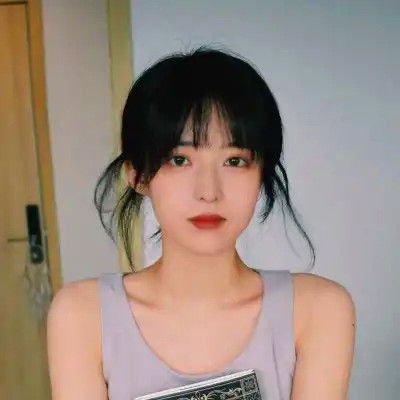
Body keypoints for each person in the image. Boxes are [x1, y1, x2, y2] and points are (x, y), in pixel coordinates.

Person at [47, 47, 356, 400]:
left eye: (235, 161)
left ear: (261, 174)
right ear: (138, 175)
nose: (209, 192)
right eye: (180, 160)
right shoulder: (83, 315)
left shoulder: (317, 310)